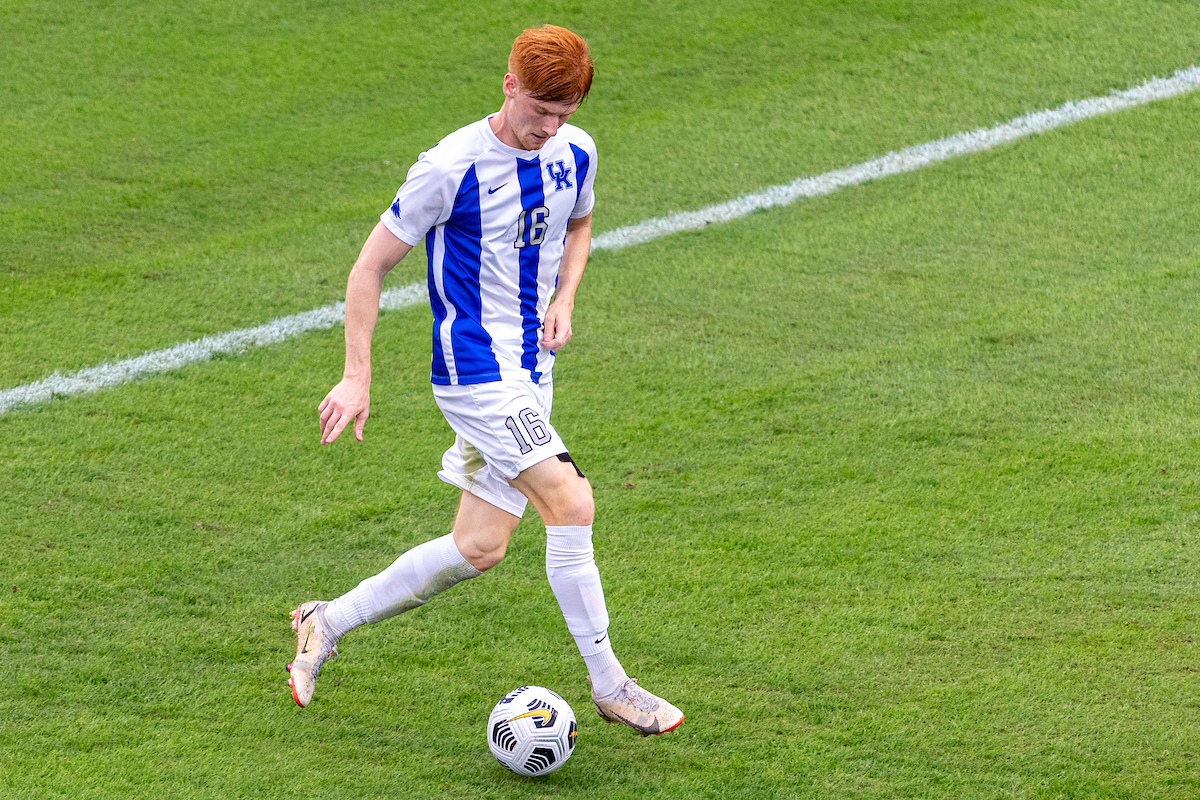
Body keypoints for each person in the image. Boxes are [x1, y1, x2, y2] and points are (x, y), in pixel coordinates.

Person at [287, 24, 683, 737]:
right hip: (474, 370)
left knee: (480, 547)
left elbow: (580, 226)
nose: (548, 127)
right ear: (509, 85)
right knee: (572, 501)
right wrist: (356, 376)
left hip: (533, 372)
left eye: (564, 114)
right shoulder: (451, 166)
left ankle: (326, 619)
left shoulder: (577, 150)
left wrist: (565, 298)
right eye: (538, 109)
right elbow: (368, 267)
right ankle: (611, 685)